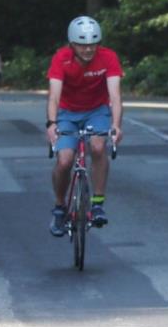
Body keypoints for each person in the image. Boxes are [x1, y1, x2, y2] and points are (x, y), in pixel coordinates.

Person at [46, 16, 123, 236]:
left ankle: (97, 203)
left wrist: (116, 125)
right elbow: (54, 96)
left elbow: (115, 96)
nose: (88, 49)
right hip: (67, 113)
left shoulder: (108, 57)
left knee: (98, 147)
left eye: (93, 44)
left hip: (96, 111)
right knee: (64, 160)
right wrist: (52, 123)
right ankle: (60, 207)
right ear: (72, 44)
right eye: (82, 44)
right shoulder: (61, 58)